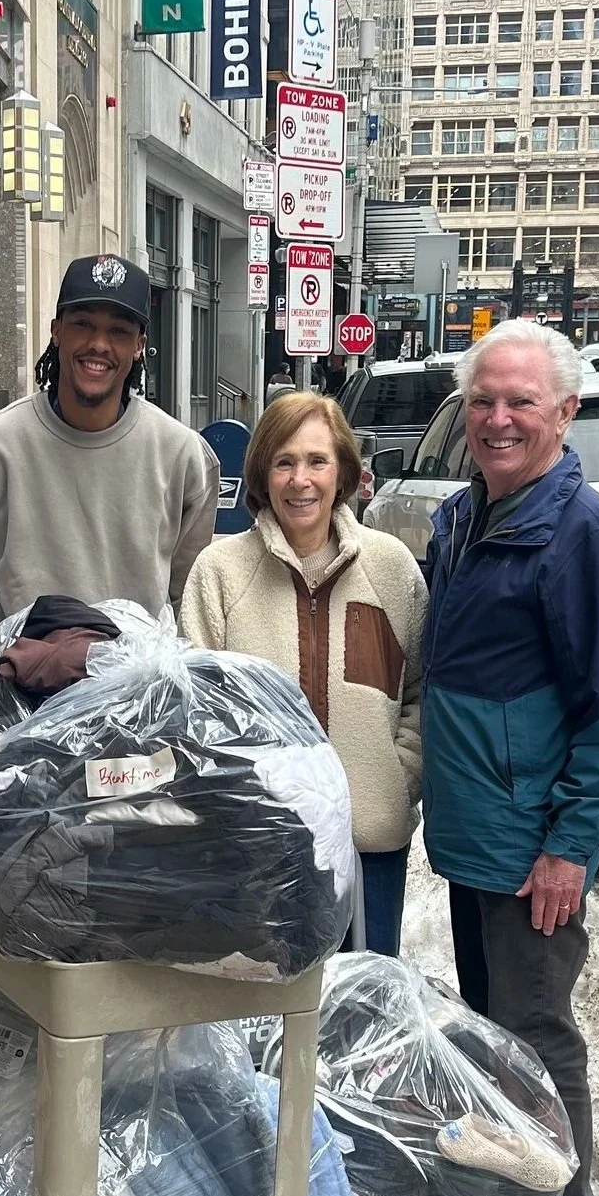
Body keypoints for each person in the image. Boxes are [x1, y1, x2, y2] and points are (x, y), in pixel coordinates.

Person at [421, 320, 599, 1196]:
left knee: (535, 1040)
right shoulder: (463, 518)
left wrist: (569, 846)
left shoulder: (581, 536)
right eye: (482, 400)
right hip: (477, 839)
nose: (497, 418)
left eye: (520, 401)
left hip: (531, 856)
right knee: (491, 1038)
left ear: (565, 412)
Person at [179, 391, 427, 957]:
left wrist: (397, 777)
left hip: (370, 853)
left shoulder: (390, 568)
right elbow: (196, 712)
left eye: (317, 461)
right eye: (284, 462)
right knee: (264, 1027)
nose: (301, 480)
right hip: (257, 852)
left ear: (342, 472)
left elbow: (418, 692)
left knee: (363, 1023)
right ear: (263, 476)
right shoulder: (220, 572)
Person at [0, 255, 219, 644]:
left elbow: (184, 598)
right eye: (83, 325)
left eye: (119, 332)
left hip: (134, 693)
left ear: (140, 346)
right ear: (56, 331)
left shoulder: (183, 457)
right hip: (16, 692)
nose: (98, 344)